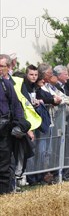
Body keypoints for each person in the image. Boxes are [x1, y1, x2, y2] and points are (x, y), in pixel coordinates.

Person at [0, 54, 28, 194]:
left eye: (1, 66)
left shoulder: (6, 85)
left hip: (3, 132)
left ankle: (4, 198)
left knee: (4, 167)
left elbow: (16, 107)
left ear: (6, 68)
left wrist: (19, 125)